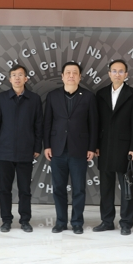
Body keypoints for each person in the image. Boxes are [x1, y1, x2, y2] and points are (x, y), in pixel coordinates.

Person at [43, 62, 98, 234]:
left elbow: (94, 124)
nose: (71, 75)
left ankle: (77, 222)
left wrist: (92, 147)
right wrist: (47, 145)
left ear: (80, 77)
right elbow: (47, 122)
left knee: (79, 189)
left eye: (75, 73)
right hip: (57, 149)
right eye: (68, 72)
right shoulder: (53, 96)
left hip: (79, 149)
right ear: (62, 76)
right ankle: (60, 222)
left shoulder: (88, 96)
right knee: (58, 188)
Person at [0, 65, 43, 233]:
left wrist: (37, 146)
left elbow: (38, 125)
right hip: (4, 151)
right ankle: (6, 220)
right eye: (14, 75)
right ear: (9, 79)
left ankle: (25, 220)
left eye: (20, 75)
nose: (17, 78)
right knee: (4, 190)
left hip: (26, 151)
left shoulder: (34, 99)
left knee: (25, 190)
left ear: (26, 78)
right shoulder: (1, 98)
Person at [94, 59, 133, 236]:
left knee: (126, 188)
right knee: (106, 188)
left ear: (126, 74)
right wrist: (96, 145)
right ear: (109, 74)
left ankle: (126, 223)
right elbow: (96, 122)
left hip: (125, 148)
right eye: (114, 71)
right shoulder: (101, 94)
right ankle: (107, 221)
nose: (117, 74)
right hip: (105, 146)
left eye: (121, 71)